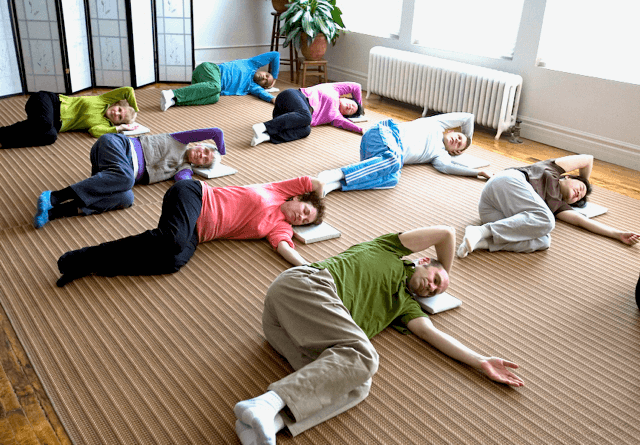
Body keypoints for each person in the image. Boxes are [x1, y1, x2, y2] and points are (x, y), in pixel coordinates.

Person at [233, 225, 524, 444]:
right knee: (365, 356)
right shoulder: (391, 250)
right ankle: (266, 403)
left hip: (287, 332)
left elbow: (432, 334)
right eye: (435, 279)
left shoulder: (405, 306)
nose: (432, 288)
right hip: (306, 286)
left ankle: (266, 422)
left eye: (436, 291)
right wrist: (446, 272)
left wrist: (480, 361)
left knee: (359, 384)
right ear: (423, 261)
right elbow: (446, 234)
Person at [55, 176, 326, 287]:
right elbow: (317, 183)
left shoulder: (279, 227)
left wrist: (308, 266)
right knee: (171, 239)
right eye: (304, 210)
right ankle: (81, 256)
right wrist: (321, 199)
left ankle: (94, 265)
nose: (300, 217)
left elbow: (284, 247)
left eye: (304, 221)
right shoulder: (280, 190)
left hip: (199, 233)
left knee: (172, 261)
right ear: (297, 198)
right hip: (194, 195)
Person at [33, 128, 226, 229]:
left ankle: (52, 213)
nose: (201, 155)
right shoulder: (181, 139)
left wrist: (206, 190)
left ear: (198, 166)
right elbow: (216, 132)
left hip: (111, 173)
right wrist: (222, 152)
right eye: (205, 151)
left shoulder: (183, 169)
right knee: (126, 180)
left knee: (127, 199)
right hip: (116, 145)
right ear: (200, 144)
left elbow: (185, 185)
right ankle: (54, 196)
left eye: (204, 160)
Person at [456, 154, 640, 257]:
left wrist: (617, 234)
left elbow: (582, 221)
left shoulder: (557, 206)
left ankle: (481, 242)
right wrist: (585, 180)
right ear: (568, 177)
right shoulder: (552, 169)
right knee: (547, 221)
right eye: (580, 187)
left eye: (579, 199)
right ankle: (480, 231)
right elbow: (588, 158)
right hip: (506, 183)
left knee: (543, 241)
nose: (579, 194)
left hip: (494, 214)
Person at [318, 112, 493, 195]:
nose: (457, 139)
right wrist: (469, 138)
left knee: (392, 179)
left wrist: (477, 172)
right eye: (458, 135)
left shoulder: (440, 157)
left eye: (460, 143)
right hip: (383, 133)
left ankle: (334, 185)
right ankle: (331, 174)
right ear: (452, 131)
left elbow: (449, 168)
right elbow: (468, 117)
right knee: (395, 160)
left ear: (456, 151)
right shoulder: (438, 124)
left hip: (378, 157)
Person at [0, 87, 138, 149]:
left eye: (120, 117)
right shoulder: (103, 99)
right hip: (48, 101)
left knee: (50, 137)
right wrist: (136, 110)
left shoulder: (105, 125)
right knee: (44, 123)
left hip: (54, 123)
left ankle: (5, 142)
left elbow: (95, 132)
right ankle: (2, 133)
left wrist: (119, 128)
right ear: (118, 104)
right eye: (119, 109)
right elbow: (128, 90)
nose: (116, 113)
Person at [250, 82, 365, 146]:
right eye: (351, 104)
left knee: (306, 130)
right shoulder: (335, 89)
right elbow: (356, 86)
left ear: (345, 115)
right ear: (346, 98)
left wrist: (360, 130)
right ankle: (262, 126)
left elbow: (346, 124)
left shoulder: (336, 117)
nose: (350, 107)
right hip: (291, 96)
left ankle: (266, 136)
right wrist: (359, 106)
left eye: (351, 110)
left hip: (284, 116)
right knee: (306, 117)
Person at [160, 52, 280, 111]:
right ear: (265, 70)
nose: (264, 78)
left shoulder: (251, 86)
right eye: (266, 75)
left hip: (204, 85)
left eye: (265, 82)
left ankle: (174, 100)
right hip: (209, 69)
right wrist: (274, 77)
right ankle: (172, 93)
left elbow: (263, 94)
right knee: (216, 88)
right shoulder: (252, 63)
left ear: (262, 86)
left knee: (215, 98)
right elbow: (275, 55)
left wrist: (274, 99)